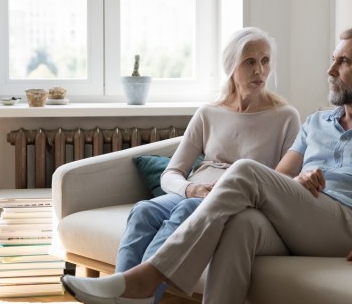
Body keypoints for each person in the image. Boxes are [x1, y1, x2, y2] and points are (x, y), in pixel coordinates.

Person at [61, 26, 352, 304]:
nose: (330, 70)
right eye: (333, 60)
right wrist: (297, 186)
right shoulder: (316, 122)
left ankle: (145, 280)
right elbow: (275, 181)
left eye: (343, 62)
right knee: (241, 224)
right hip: (308, 219)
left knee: (243, 169)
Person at [114, 27, 301, 303]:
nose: (259, 70)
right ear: (231, 67)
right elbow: (171, 174)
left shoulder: (286, 117)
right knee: (143, 210)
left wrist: (206, 196)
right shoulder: (208, 113)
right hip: (196, 194)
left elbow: (284, 184)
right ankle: (119, 292)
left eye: (265, 61)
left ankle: (139, 294)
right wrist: (191, 189)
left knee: (188, 210)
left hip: (236, 202)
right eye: (250, 62)